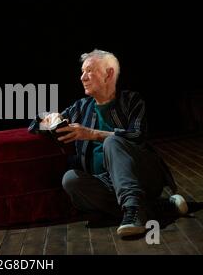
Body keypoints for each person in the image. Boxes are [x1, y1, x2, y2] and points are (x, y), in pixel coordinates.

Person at [29, 49, 188, 237]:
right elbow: (34, 124)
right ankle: (155, 207)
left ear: (108, 73)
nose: (82, 77)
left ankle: (134, 210)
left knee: (113, 142)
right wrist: (49, 118)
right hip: (107, 184)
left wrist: (92, 134)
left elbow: (137, 136)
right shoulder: (81, 107)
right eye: (82, 72)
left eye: (89, 71)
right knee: (70, 179)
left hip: (142, 175)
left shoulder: (131, 100)